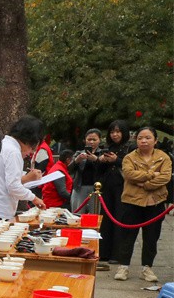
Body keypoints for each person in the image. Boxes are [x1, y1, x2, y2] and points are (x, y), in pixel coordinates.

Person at [113, 126, 171, 282]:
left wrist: (145, 184)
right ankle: (123, 266)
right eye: (140, 138)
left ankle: (147, 267)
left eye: (147, 138)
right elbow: (130, 175)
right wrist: (152, 174)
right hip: (132, 201)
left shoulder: (163, 157)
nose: (143, 141)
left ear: (155, 140)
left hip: (155, 202)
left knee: (151, 237)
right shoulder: (129, 158)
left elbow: (165, 177)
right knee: (127, 236)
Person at [0, 116, 48, 219]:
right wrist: (34, 198)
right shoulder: (13, 151)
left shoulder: (3, 144)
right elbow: (13, 186)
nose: (30, 152)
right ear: (32, 140)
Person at [97, 121, 132, 267]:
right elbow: (100, 170)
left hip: (122, 187)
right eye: (112, 132)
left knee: (120, 219)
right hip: (107, 187)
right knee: (105, 220)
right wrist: (101, 160)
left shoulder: (130, 148)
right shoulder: (108, 147)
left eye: (118, 131)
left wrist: (116, 160)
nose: (115, 134)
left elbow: (132, 166)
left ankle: (117, 254)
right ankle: (103, 252)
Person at [69, 127, 103, 213]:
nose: (91, 142)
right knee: (77, 214)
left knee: (94, 215)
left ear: (99, 140)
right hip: (79, 187)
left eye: (94, 139)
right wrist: (77, 160)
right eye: (89, 139)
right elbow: (69, 169)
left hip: (96, 188)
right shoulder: (79, 153)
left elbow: (104, 169)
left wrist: (96, 159)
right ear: (85, 140)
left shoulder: (102, 153)